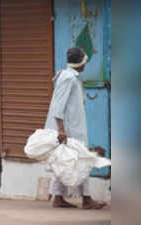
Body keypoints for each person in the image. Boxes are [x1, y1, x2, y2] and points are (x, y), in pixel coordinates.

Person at [45, 47, 106, 209]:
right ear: (80, 63)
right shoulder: (68, 79)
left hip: (72, 128)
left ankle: (58, 197)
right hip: (70, 130)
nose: (85, 64)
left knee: (66, 161)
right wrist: (61, 129)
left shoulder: (70, 77)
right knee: (82, 160)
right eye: (84, 61)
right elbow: (58, 105)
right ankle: (86, 199)